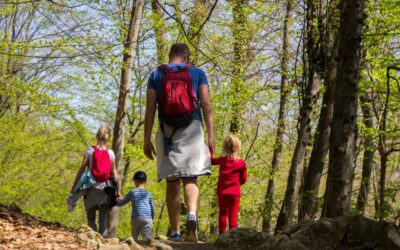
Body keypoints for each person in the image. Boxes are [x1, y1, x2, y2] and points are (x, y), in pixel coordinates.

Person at [143, 43, 215, 242]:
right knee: (191, 178)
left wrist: (146, 139)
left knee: (172, 181)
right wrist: (211, 136)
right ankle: (191, 215)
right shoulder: (197, 73)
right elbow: (206, 105)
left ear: (170, 55)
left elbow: (150, 108)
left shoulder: (157, 75)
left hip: (168, 132)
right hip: (192, 128)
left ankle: (175, 232)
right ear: (186, 56)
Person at [70, 125, 120, 236]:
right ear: (108, 139)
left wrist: (74, 187)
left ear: (96, 136)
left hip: (91, 188)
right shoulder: (111, 153)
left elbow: (82, 170)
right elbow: (115, 174)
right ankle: (103, 244)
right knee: (103, 223)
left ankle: (92, 241)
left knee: (91, 220)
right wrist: (118, 192)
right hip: (106, 190)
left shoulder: (90, 151)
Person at [211, 135, 247, 235]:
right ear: (237, 147)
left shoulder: (222, 160)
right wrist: (237, 183)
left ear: (225, 147)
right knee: (233, 217)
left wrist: (211, 149)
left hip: (222, 192)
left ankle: (222, 236)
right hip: (234, 194)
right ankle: (233, 238)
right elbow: (244, 179)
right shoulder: (241, 163)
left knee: (223, 214)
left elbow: (211, 161)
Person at [117, 171, 155, 243]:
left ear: (134, 180)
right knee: (147, 240)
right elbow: (152, 207)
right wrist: (152, 218)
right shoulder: (148, 193)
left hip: (136, 219)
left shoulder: (132, 192)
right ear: (145, 181)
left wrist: (118, 200)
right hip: (148, 219)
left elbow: (120, 204)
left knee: (135, 240)